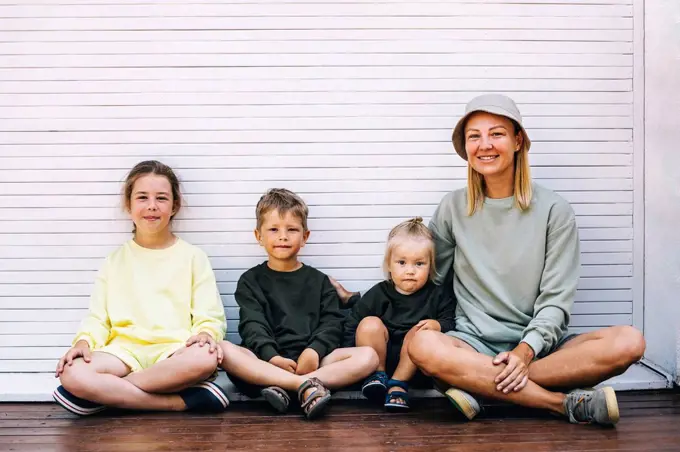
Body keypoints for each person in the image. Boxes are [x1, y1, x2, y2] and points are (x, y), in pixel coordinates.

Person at [407, 94, 646, 427]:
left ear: (518, 140)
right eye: (474, 136)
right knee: (422, 344)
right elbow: (431, 279)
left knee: (629, 342)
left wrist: (525, 350)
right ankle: (562, 404)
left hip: (541, 349)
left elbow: (556, 301)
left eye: (497, 133)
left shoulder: (554, 211)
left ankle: (479, 386)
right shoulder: (452, 208)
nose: (484, 145)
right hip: (472, 344)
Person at [54, 160, 229, 416]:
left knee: (205, 356)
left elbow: (209, 315)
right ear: (129, 204)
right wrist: (83, 341)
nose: (151, 206)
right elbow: (98, 318)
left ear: (174, 205)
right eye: (142, 197)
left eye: (161, 198)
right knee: (72, 373)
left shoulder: (193, 257)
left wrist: (206, 333)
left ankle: (103, 395)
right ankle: (178, 402)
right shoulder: (114, 261)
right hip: (123, 352)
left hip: (173, 351)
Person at [218, 188, 378, 420]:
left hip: (314, 361)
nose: (283, 236)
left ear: (305, 236)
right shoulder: (250, 281)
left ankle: (285, 388)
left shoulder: (320, 281)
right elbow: (252, 324)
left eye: (292, 229)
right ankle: (305, 388)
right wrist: (272, 357)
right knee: (223, 349)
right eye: (273, 229)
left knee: (368, 356)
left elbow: (332, 323)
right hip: (267, 362)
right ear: (258, 236)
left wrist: (313, 351)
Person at [341, 217, 455, 411]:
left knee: (421, 331)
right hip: (379, 360)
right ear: (389, 264)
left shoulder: (438, 294)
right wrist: (349, 361)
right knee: (369, 323)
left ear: (431, 265)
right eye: (402, 262)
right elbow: (352, 324)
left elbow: (452, 322)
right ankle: (377, 378)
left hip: (415, 366)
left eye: (419, 264)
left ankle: (397, 385)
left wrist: (438, 325)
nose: (410, 271)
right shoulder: (378, 293)